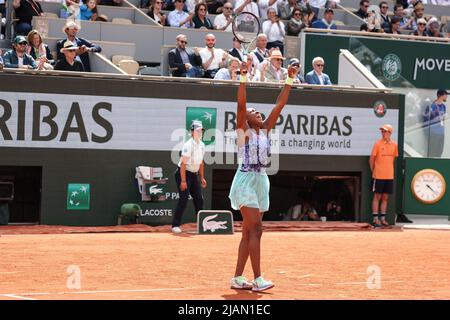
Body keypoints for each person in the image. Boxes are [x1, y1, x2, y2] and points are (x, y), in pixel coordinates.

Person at [228, 59, 299, 292]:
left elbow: (279, 104)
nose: (257, 112)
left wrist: (289, 78)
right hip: (246, 181)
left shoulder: (266, 130)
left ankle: (238, 278)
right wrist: (242, 76)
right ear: (246, 119)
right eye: (253, 112)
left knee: (248, 231)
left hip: (261, 181)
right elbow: (240, 106)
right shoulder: (243, 132)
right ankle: (258, 280)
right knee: (257, 230)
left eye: (258, 111)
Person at [172, 121, 207, 233]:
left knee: (199, 199)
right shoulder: (188, 145)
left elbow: (201, 162)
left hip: (193, 174)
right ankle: (175, 225)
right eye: (197, 131)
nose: (199, 132)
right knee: (183, 198)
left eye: (201, 130)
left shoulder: (202, 145)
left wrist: (201, 177)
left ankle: (201, 225)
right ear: (192, 132)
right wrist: (183, 181)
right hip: (183, 173)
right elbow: (183, 164)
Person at [369, 124, 400, 227]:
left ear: (390, 133)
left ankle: (383, 219)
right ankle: (375, 219)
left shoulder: (394, 145)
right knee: (377, 196)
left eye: (385, 131)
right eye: (382, 131)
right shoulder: (377, 144)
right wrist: (374, 171)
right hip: (378, 176)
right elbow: (371, 160)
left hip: (389, 176)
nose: (383, 133)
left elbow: (393, 159)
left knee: (385, 197)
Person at [423, 89, 448, 158]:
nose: (446, 96)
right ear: (440, 95)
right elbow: (426, 120)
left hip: (441, 133)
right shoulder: (432, 106)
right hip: (433, 133)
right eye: (445, 95)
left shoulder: (443, 106)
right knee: (432, 153)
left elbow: (442, 119)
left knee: (439, 152)